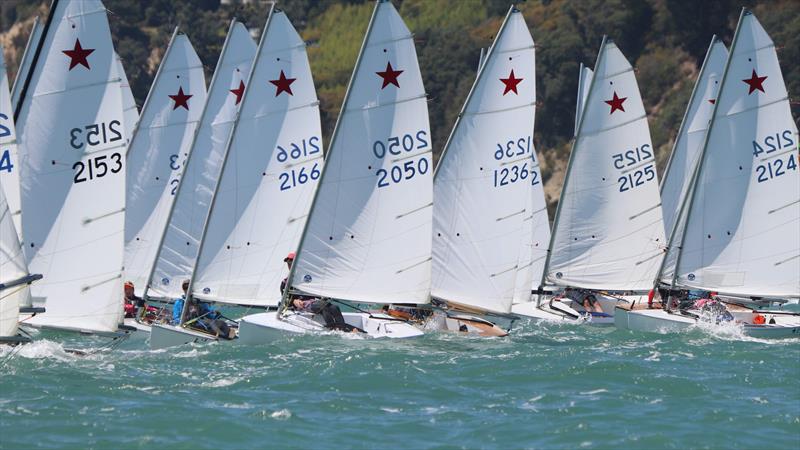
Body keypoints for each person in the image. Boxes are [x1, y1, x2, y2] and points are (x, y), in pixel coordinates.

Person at [280, 252, 357, 332]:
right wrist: (294, 301)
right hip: (302, 306)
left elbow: (316, 292)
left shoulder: (307, 279)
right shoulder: (285, 283)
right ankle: (332, 329)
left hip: (313, 302)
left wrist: (324, 295)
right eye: (288, 263)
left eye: (292, 262)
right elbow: (285, 301)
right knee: (323, 306)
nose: (290, 265)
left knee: (335, 307)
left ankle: (342, 328)